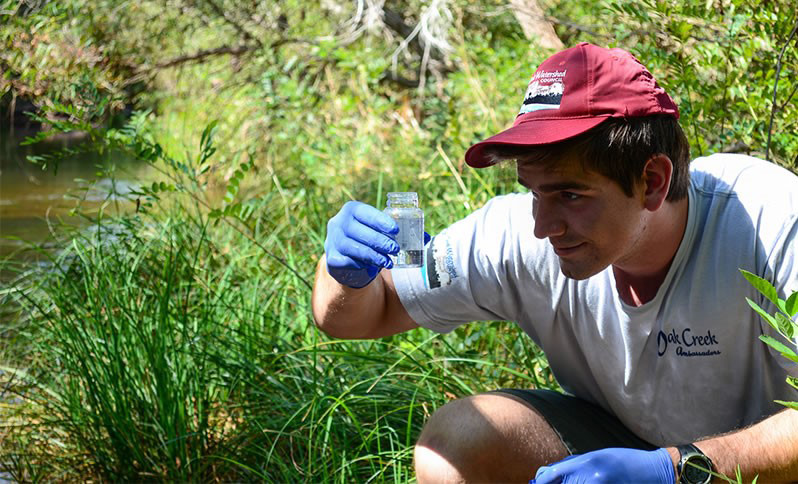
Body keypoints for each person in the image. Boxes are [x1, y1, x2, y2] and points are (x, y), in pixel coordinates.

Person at [311, 42, 798, 483]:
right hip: (627, 450)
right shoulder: (520, 236)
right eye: (535, 192)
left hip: (758, 465)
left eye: (570, 194)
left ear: (651, 180)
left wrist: (676, 470)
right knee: (453, 443)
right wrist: (345, 274)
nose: (544, 226)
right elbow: (366, 312)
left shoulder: (769, 219)